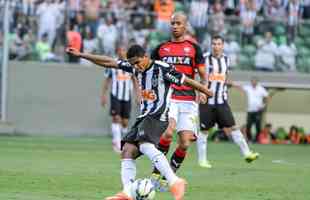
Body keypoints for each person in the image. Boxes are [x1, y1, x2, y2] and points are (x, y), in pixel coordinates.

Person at [66, 44, 212, 200]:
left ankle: (175, 181)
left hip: (158, 115)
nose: (136, 67)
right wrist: (82, 55)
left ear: (146, 57)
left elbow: (186, 80)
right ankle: (127, 192)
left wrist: (205, 90)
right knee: (127, 150)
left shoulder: (162, 68)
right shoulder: (134, 67)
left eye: (137, 62)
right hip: (144, 116)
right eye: (132, 64)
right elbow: (109, 62)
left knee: (145, 144)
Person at [150, 12, 209, 182]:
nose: (175, 26)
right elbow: (151, 71)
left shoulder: (194, 48)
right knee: (167, 133)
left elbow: (203, 74)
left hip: (188, 100)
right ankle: (156, 171)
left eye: (178, 23)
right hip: (169, 98)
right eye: (173, 23)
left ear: (185, 25)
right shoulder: (161, 48)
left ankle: (168, 175)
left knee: (185, 142)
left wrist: (203, 90)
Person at [197, 35, 259, 168]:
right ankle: (202, 160)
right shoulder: (205, 58)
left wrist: (233, 85)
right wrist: (200, 92)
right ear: (211, 45)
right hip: (207, 101)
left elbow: (224, 78)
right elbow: (200, 77)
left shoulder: (226, 59)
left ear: (223, 46)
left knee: (233, 127)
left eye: (219, 44)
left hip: (221, 101)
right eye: (214, 44)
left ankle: (247, 154)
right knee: (204, 131)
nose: (216, 46)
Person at [101, 47, 139, 153]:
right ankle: (116, 143)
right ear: (117, 51)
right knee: (116, 118)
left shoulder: (131, 65)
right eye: (120, 50)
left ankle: (123, 141)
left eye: (124, 50)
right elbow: (107, 81)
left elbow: (135, 80)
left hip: (127, 96)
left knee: (125, 122)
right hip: (115, 95)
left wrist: (138, 95)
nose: (122, 52)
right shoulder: (112, 64)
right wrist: (103, 95)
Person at [231, 77, 270, 142]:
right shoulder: (248, 88)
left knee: (257, 126)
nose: (253, 83)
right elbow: (240, 87)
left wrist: (263, 106)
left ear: (257, 82)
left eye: (254, 81)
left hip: (258, 111)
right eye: (252, 81)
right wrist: (232, 84)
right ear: (251, 82)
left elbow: (267, 97)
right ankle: (249, 139)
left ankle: (257, 139)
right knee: (249, 125)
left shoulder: (261, 89)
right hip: (250, 110)